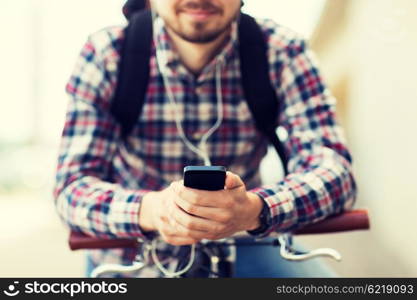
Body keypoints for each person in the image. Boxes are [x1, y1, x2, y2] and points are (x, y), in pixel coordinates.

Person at [53, 0, 357, 277]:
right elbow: (72, 187)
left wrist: (255, 209)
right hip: (130, 256)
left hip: (244, 245)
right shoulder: (107, 53)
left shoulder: (282, 51)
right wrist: (155, 211)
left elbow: (335, 171)